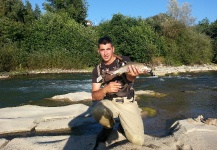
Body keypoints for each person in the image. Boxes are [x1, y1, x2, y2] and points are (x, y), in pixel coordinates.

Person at [91, 36, 147, 149]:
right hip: (110, 102)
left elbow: (130, 80)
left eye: (108, 49)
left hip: (127, 102)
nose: (106, 53)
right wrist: (105, 89)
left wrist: (132, 75)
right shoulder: (97, 70)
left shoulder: (124, 61)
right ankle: (109, 127)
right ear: (98, 51)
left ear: (113, 49)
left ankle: (123, 125)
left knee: (137, 141)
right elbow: (94, 96)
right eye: (102, 50)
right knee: (97, 110)